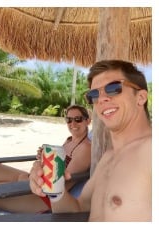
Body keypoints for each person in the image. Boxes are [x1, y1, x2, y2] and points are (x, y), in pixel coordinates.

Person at [29, 60, 151, 221]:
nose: (101, 99)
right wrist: (54, 185)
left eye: (113, 88)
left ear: (141, 97)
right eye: (94, 94)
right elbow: (79, 208)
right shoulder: (108, 158)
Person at [0, 105, 92, 213]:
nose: (73, 124)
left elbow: (62, 183)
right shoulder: (69, 141)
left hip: (45, 197)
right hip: (37, 182)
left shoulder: (86, 148)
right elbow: (57, 165)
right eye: (69, 120)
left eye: (78, 119)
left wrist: (38, 172)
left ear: (87, 121)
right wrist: (43, 159)